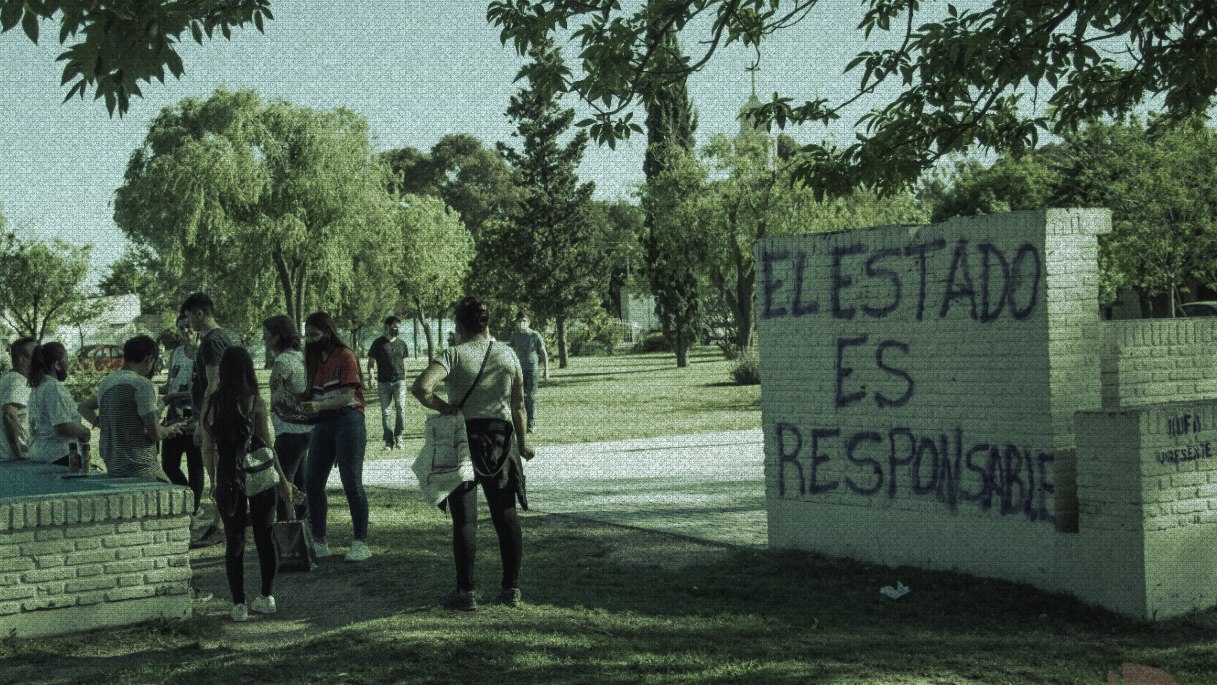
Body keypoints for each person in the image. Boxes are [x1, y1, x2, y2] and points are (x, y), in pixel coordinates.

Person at [411, 296, 534, 610]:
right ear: (487, 322)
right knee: (506, 517)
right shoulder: (508, 354)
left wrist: (446, 407)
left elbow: (421, 387)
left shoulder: (453, 354)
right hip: (501, 439)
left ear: (460, 325)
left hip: (463, 437)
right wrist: (522, 443)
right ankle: (511, 589)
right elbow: (519, 405)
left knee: (465, 521)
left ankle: (465, 593)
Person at [201, 345, 294, 622]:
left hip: (229, 473)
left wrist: (212, 479)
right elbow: (267, 444)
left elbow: (207, 447)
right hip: (260, 472)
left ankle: (238, 604)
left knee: (235, 541)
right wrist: (283, 480)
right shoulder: (255, 402)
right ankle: (266, 596)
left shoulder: (212, 402)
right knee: (265, 538)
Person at [301, 312, 371, 562]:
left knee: (351, 480)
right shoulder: (312, 359)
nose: (310, 340)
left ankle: (360, 542)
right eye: (307, 335)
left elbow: (347, 396)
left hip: (348, 420)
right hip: (323, 423)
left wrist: (319, 407)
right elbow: (312, 393)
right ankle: (320, 540)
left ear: (328, 333)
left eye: (314, 335)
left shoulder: (345, 355)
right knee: (312, 481)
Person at [79, 335, 187, 481]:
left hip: (114, 466)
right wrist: (169, 430)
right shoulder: (142, 384)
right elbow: (154, 433)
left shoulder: (107, 383)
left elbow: (84, 407)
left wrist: (106, 425)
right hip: (141, 467)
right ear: (149, 358)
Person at [181, 292, 236, 545]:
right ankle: (220, 521)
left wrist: (203, 423)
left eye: (189, 316)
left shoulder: (214, 341)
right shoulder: (213, 340)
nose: (188, 321)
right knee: (218, 472)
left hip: (216, 418)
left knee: (217, 474)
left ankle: (220, 523)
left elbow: (213, 383)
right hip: (216, 416)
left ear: (199, 313)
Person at [263, 314, 311, 522]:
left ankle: (287, 534)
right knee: (301, 485)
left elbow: (279, 400)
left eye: (266, 336)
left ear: (276, 337)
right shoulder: (299, 357)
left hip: (290, 431)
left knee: (283, 486)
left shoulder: (282, 362)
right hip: (306, 430)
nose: (263, 340)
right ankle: (308, 528)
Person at [160, 314, 204, 515]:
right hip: (174, 415)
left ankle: (193, 508)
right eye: (181, 328)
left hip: (194, 415)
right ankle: (187, 495)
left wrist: (174, 394)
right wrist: (165, 390)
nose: (186, 331)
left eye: (188, 326)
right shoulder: (176, 353)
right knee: (169, 462)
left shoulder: (203, 353)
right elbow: (171, 382)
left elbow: (203, 388)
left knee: (195, 464)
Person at [26, 342, 92, 466]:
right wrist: (85, 432)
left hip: (40, 453)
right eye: (66, 360)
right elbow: (62, 426)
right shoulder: (53, 387)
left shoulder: (38, 386)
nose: (68, 364)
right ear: (57, 365)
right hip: (60, 454)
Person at [366, 315, 410, 450]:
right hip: (383, 383)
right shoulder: (378, 343)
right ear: (387, 327)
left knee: (401, 408)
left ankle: (399, 436)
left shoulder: (402, 344)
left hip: (399, 382)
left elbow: (405, 362)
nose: (397, 329)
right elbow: (371, 363)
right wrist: (371, 377)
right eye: (394, 327)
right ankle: (388, 441)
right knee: (386, 412)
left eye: (398, 327)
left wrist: (405, 378)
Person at [508, 312, 548, 433]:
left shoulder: (535, 335)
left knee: (530, 396)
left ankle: (531, 423)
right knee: (519, 397)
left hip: (532, 369)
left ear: (528, 322)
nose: (521, 324)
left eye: (523, 321)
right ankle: (520, 423)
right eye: (519, 321)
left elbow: (543, 353)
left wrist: (546, 370)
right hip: (519, 370)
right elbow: (510, 351)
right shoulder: (515, 336)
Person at [0, 338, 35, 461]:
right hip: (12, 459)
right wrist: (18, 452)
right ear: (22, 359)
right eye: (35, 354)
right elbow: (9, 414)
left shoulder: (10, 378)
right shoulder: (17, 381)